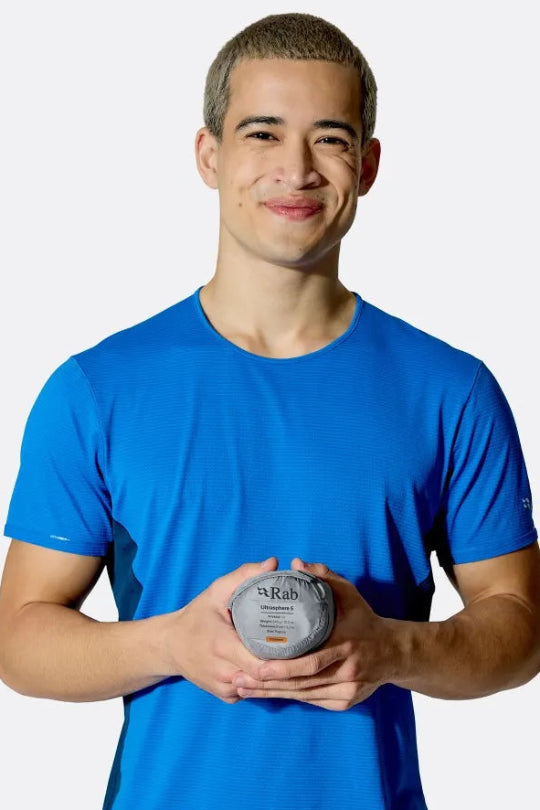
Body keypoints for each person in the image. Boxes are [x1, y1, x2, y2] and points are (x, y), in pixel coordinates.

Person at [0, 11, 539, 810]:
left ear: (370, 163)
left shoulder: (450, 390)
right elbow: (19, 638)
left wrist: (391, 648)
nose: (296, 169)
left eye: (329, 137)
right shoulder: (97, 389)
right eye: (261, 133)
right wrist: (173, 644)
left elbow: (520, 629)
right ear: (208, 155)